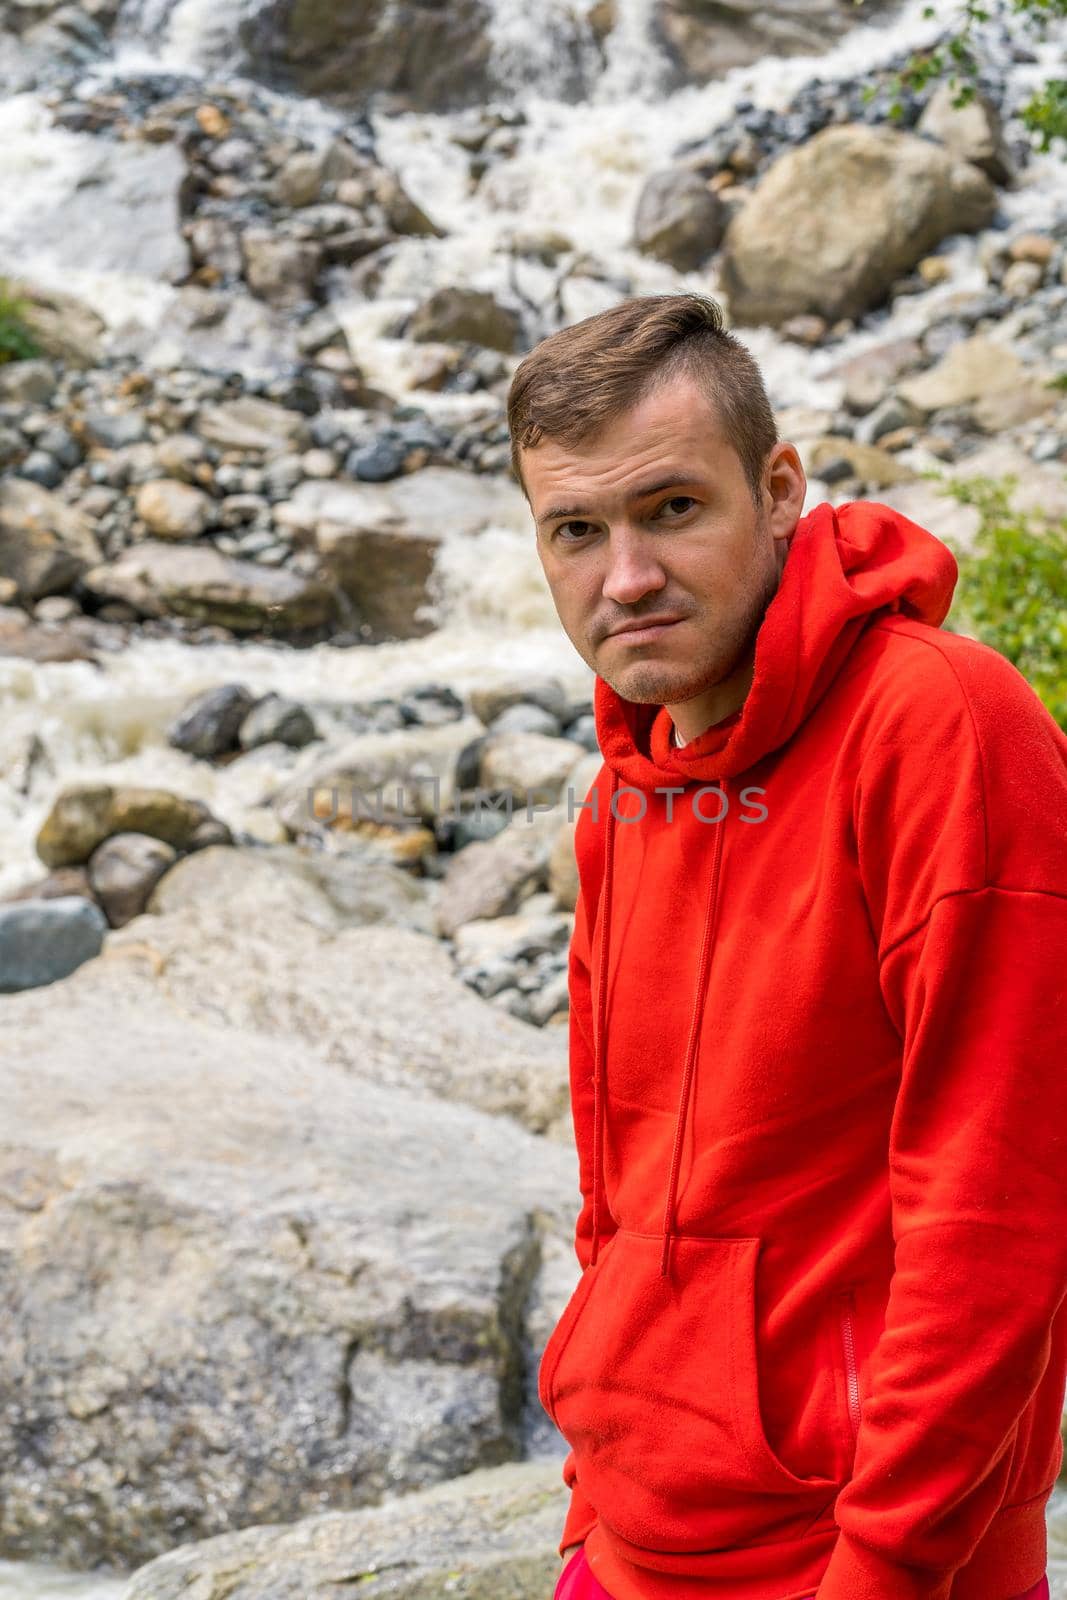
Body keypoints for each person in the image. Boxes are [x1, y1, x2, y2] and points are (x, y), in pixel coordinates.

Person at [505, 292, 1067, 1600]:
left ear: (778, 490)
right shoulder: (624, 793)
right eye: (576, 532)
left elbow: (994, 1220)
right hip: (633, 1544)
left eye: (672, 510)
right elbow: (617, 1194)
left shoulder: (943, 730)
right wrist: (589, 1509)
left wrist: (878, 1573)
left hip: (863, 1564)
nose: (625, 577)